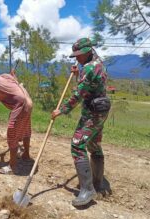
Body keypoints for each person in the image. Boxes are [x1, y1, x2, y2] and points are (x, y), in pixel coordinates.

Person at [51, 38, 111, 207]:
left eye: (78, 55)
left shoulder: (90, 67)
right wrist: (79, 73)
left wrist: (61, 110)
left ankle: (88, 189)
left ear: (87, 51)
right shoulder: (98, 63)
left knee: (77, 145)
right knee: (94, 144)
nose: (76, 58)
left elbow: (78, 94)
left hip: (93, 112)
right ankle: (97, 182)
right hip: (101, 109)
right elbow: (90, 85)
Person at [0, 69, 33, 174]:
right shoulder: (5, 76)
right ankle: (26, 155)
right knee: (26, 129)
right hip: (28, 103)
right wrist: (13, 75)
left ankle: (12, 166)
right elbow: (15, 81)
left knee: (11, 136)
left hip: (20, 106)